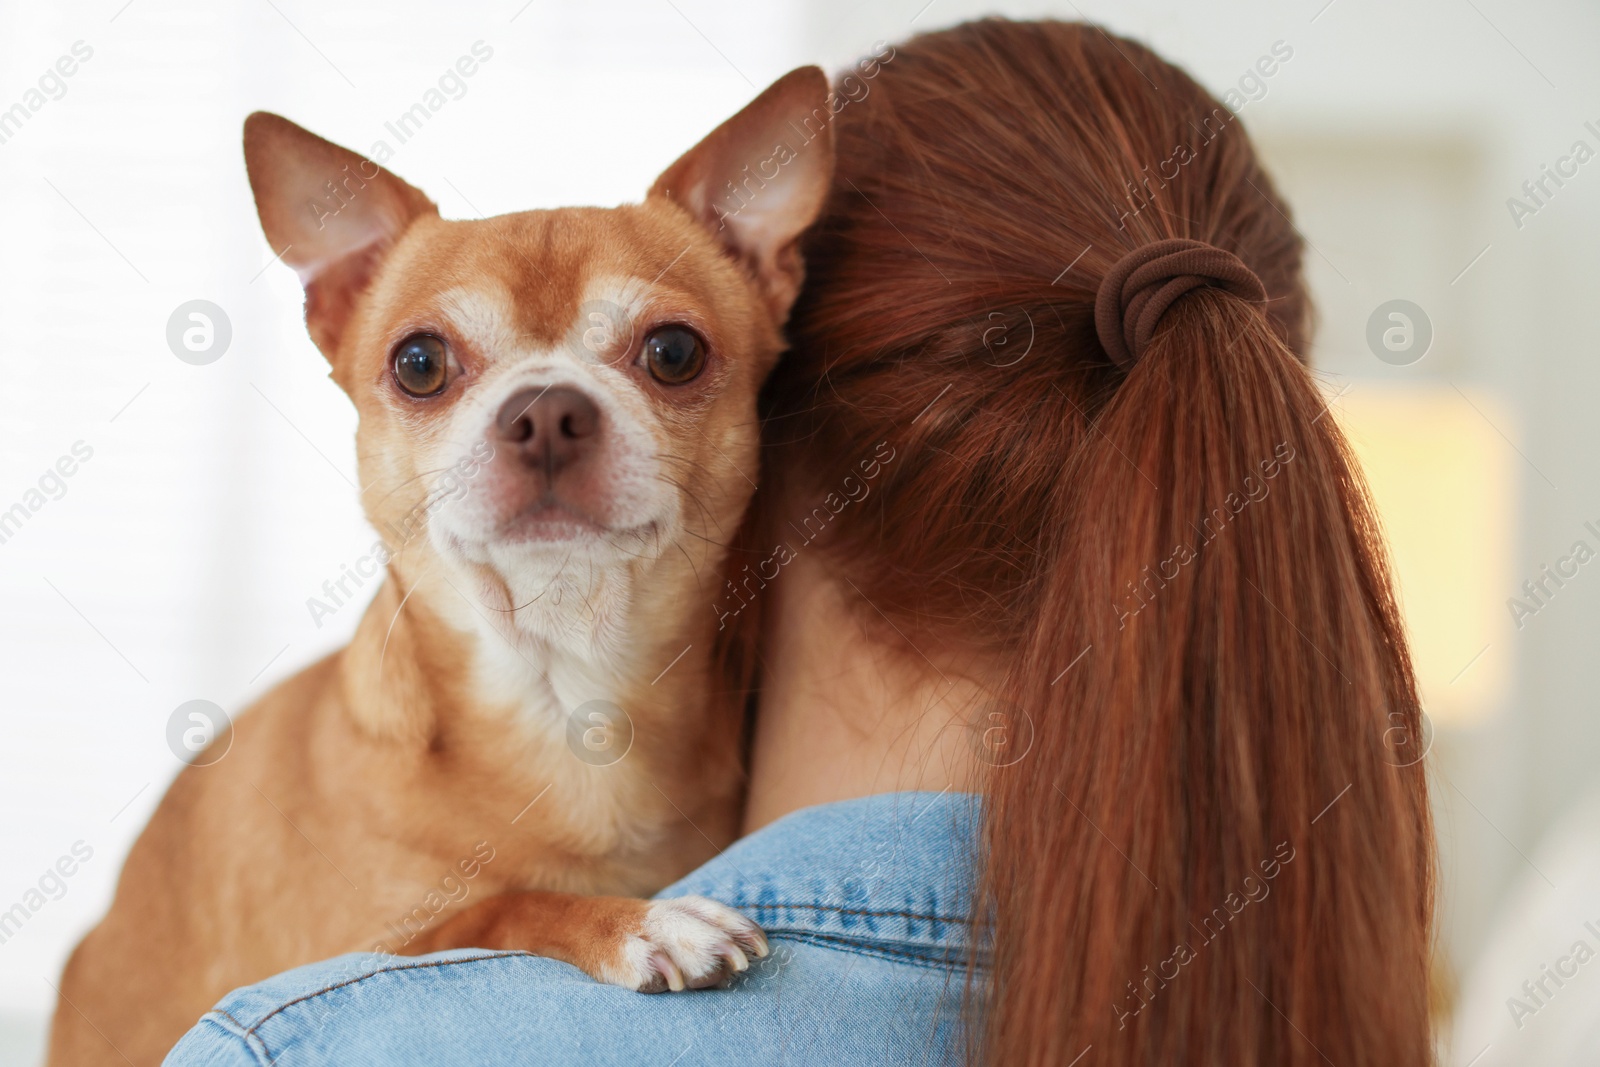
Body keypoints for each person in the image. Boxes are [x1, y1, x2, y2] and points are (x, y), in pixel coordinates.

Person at [165, 18, 1434, 1067]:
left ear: (786, 406)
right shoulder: (1305, 971)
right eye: (431, 366)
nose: (545, 418)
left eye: (664, 357)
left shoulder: (309, 1043)